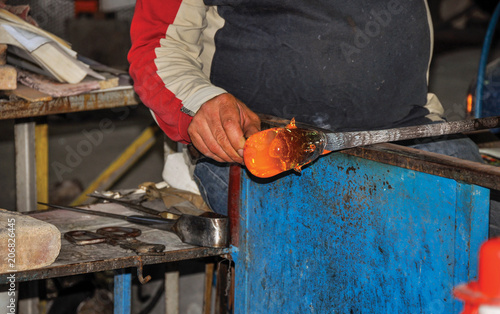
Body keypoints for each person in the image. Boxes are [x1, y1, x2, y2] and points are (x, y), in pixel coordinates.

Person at [128, 0, 483, 216]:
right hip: (268, 155)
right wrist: (202, 102)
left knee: (485, 227)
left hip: (409, 131)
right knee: (362, 246)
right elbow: (154, 47)